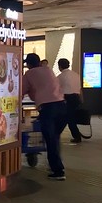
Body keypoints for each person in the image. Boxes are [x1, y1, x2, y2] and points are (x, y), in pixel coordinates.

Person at [23, 52, 66, 181]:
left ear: (28, 64)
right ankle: (55, 165)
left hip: (48, 109)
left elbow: (21, 90)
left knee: (51, 140)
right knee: (54, 139)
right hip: (62, 107)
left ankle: (58, 171)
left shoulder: (29, 74)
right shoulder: (49, 70)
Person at [57, 58, 83, 144]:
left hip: (67, 99)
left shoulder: (60, 77)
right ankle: (76, 135)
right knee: (69, 117)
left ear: (60, 66)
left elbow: (57, 89)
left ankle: (76, 136)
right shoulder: (76, 74)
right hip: (76, 98)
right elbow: (79, 88)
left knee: (67, 118)